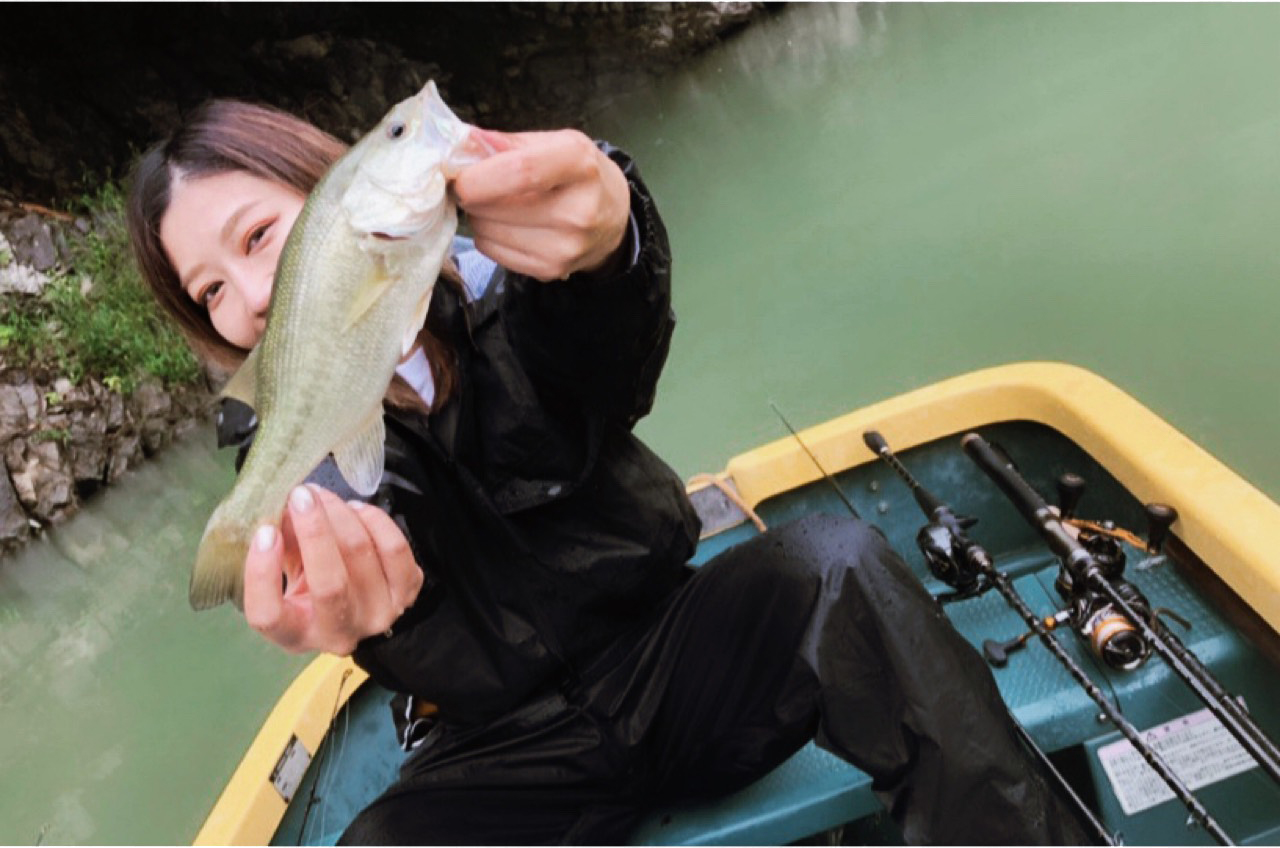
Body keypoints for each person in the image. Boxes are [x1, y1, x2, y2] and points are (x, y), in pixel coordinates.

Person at [127, 97, 1091, 845]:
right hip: (502, 752)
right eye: (211, 290)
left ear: (327, 189)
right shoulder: (285, 446)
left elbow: (606, 349)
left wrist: (613, 240)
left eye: (258, 238)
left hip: (677, 656)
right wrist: (362, 604)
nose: (250, 297)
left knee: (840, 566)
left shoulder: (512, 276)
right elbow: (370, 506)